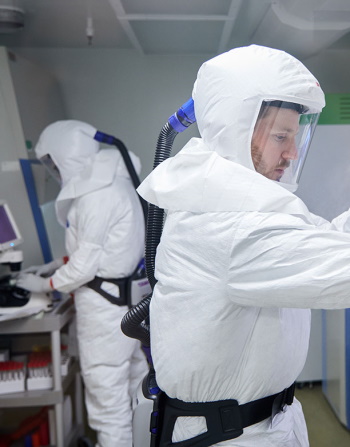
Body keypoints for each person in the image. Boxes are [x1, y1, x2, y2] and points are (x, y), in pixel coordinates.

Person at [136, 44, 350, 446]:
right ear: (236, 131)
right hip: (234, 436)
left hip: (262, 421)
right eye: (281, 136)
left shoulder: (241, 206)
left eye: (296, 136)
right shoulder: (230, 225)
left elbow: (330, 241)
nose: (292, 152)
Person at [17, 120, 148, 447]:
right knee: (132, 387)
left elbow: (84, 268)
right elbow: (107, 253)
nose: (53, 170)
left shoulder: (95, 197)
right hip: (126, 309)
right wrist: (54, 266)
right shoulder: (115, 186)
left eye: (52, 162)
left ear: (66, 156)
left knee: (108, 404)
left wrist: (43, 284)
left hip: (106, 315)